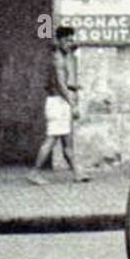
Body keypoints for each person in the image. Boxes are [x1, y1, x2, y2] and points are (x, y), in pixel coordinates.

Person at [28, 26, 86, 185]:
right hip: (58, 103)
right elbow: (60, 85)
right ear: (59, 41)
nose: (70, 43)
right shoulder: (58, 59)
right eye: (67, 40)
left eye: (71, 40)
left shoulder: (62, 56)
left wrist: (73, 89)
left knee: (67, 141)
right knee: (52, 139)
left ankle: (77, 173)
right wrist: (72, 103)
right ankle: (34, 172)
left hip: (60, 102)